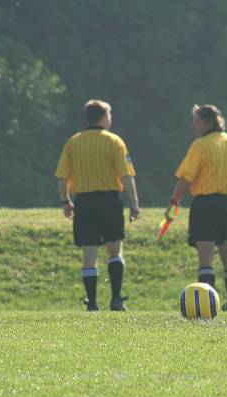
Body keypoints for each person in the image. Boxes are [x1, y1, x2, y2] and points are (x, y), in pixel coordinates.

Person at [55, 99, 140, 311]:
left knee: (89, 255)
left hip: (84, 202)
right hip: (109, 201)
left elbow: (62, 177)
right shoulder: (114, 142)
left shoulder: (73, 143)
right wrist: (134, 203)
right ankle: (116, 299)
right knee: (115, 250)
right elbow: (126, 176)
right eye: (109, 115)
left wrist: (66, 201)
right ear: (103, 118)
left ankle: (92, 303)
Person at [166, 104, 227, 311]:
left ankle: (207, 305)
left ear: (208, 122)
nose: (193, 125)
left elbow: (186, 177)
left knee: (206, 256)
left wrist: (174, 201)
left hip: (206, 204)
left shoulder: (200, 146)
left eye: (196, 120)